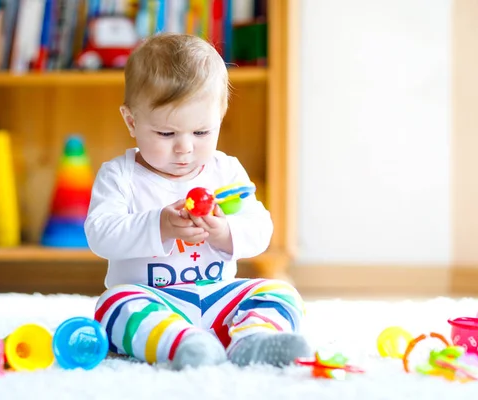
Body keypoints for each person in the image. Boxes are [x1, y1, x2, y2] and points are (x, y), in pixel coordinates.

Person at [85, 33, 311, 370]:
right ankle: (183, 344)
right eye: (166, 134)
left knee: (281, 292)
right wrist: (159, 224)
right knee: (113, 304)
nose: (185, 148)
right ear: (132, 121)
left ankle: (252, 340)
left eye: (201, 133)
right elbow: (100, 235)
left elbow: (260, 228)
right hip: (155, 302)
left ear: (220, 117)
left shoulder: (225, 170)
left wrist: (224, 231)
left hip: (220, 299)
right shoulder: (120, 175)